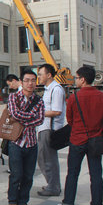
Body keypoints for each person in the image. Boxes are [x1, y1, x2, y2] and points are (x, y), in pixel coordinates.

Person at [56, 67, 103, 205]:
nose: (76, 80)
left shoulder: (74, 97)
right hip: (96, 139)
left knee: (72, 173)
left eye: (77, 77)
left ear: (83, 79)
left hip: (78, 140)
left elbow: (70, 119)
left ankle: (68, 204)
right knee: (96, 173)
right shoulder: (102, 96)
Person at [7, 70, 45, 205]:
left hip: (31, 143)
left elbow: (40, 119)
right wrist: (30, 116)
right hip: (16, 142)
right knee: (16, 174)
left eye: (33, 80)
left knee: (28, 176)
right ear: (21, 82)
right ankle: (12, 201)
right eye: (27, 80)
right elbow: (14, 114)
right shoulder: (13, 97)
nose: (30, 83)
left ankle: (23, 202)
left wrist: (24, 118)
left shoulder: (39, 100)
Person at [37, 64, 66, 197]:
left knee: (48, 159)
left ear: (49, 75)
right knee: (43, 158)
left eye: (40, 74)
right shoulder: (48, 89)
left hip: (49, 129)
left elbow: (56, 111)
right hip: (43, 127)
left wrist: (38, 113)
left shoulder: (56, 89)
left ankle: (53, 187)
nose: (39, 77)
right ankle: (52, 184)